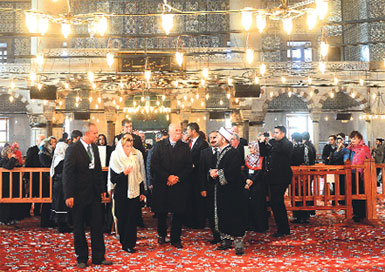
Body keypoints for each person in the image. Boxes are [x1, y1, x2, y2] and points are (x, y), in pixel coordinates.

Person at [63, 123, 112, 268]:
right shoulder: (73, 149)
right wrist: (68, 195)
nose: (97, 136)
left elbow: (97, 170)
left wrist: (102, 188)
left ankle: (99, 257)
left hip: (94, 194)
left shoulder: (95, 148)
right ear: (86, 134)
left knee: (97, 225)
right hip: (78, 195)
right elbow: (68, 173)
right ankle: (82, 258)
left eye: (97, 133)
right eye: (94, 133)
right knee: (79, 227)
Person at [150, 123, 193, 248]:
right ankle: (161, 235)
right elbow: (154, 165)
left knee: (178, 213)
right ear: (169, 132)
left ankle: (175, 238)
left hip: (179, 185)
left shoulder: (185, 147)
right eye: (176, 130)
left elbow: (188, 166)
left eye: (180, 130)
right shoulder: (159, 146)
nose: (179, 132)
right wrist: (167, 177)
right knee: (161, 213)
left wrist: (176, 178)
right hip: (162, 185)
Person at [209, 127, 247, 256]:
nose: (215, 139)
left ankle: (238, 243)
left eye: (217, 137)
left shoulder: (232, 152)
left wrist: (217, 173)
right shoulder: (221, 152)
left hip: (233, 191)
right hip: (223, 190)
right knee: (224, 214)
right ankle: (226, 240)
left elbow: (233, 171)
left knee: (234, 215)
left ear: (224, 139)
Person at [108, 133, 146, 253]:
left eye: (130, 146)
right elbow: (113, 179)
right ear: (121, 146)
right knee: (122, 217)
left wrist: (142, 191)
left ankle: (130, 244)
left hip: (134, 191)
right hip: (121, 192)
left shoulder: (134, 156)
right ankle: (123, 241)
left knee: (132, 218)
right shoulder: (115, 156)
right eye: (126, 146)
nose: (129, 148)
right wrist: (124, 173)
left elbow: (139, 175)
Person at [265, 126, 293, 238]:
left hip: (282, 177)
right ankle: (282, 228)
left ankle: (283, 228)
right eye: (274, 133)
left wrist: (271, 142)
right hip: (273, 177)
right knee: (275, 202)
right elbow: (264, 152)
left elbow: (280, 150)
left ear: (283, 134)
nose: (275, 135)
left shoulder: (287, 143)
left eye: (276, 133)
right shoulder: (273, 142)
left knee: (277, 202)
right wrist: (263, 142)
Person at [199, 131, 221, 244]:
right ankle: (215, 236)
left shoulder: (224, 151)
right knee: (211, 212)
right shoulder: (204, 153)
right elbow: (201, 172)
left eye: (215, 137)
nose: (212, 140)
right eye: (210, 137)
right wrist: (202, 188)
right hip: (209, 188)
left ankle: (224, 235)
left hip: (222, 188)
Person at [186, 122, 209, 229]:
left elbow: (203, 162)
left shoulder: (202, 144)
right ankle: (191, 221)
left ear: (193, 131)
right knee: (191, 200)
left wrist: (193, 165)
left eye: (188, 130)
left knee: (199, 201)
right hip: (190, 177)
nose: (186, 132)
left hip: (198, 176)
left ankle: (199, 222)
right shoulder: (189, 143)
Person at [344, 131, 371, 222]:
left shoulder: (365, 148)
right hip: (350, 173)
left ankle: (361, 213)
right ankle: (355, 213)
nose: (353, 140)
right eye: (352, 138)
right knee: (352, 194)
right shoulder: (349, 148)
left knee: (360, 193)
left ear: (359, 139)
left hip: (360, 174)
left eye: (355, 138)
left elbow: (369, 160)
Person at [243, 141, 268, 233]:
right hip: (248, 183)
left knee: (258, 205)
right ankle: (250, 225)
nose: (251, 150)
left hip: (258, 184)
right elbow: (245, 170)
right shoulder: (248, 158)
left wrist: (252, 181)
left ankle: (260, 226)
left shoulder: (261, 159)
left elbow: (260, 172)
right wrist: (247, 180)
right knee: (249, 205)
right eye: (249, 148)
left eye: (252, 147)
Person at [50, 142, 72, 233]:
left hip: (58, 184)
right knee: (60, 205)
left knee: (59, 204)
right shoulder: (61, 160)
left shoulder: (57, 159)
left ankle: (61, 224)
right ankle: (62, 225)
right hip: (61, 184)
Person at [146, 130, 168, 208]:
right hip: (156, 180)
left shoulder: (169, 150)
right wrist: (150, 182)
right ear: (157, 139)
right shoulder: (152, 150)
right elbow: (149, 166)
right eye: (163, 139)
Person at [25, 134, 45, 216]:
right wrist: (27, 176)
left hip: (42, 176)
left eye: (44, 139)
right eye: (41, 139)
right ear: (37, 141)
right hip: (32, 176)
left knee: (40, 194)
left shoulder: (45, 150)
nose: (43, 141)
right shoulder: (32, 150)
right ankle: (27, 211)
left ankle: (37, 211)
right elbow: (28, 163)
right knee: (31, 194)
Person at [39, 137, 56, 228]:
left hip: (50, 179)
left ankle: (50, 220)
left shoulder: (50, 153)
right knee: (46, 201)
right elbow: (47, 165)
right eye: (52, 143)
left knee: (51, 201)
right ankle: (45, 222)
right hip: (45, 180)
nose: (54, 145)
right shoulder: (43, 154)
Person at [0, 145, 19, 225]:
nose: (12, 153)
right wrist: (13, 159)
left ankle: (11, 218)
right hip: (4, 184)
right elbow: (8, 167)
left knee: (12, 201)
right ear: (6, 153)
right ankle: (4, 219)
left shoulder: (10, 159)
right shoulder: (3, 160)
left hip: (11, 183)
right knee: (5, 202)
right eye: (10, 152)